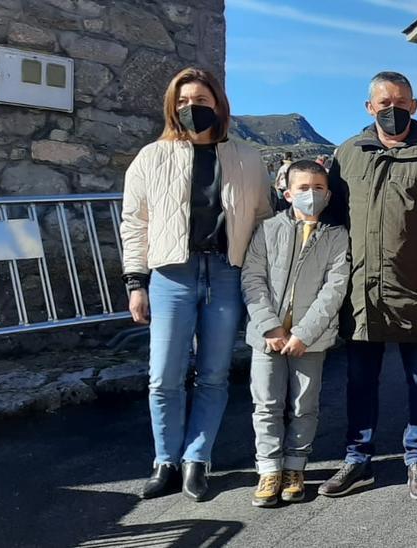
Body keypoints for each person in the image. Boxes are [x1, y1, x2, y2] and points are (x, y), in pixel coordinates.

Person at [120, 67, 273, 501]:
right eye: (183, 102)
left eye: (201, 101)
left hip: (226, 273)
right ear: (173, 107)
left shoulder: (248, 157)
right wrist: (137, 281)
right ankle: (165, 460)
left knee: (213, 375)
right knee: (163, 375)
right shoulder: (151, 157)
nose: (192, 109)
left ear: (218, 106)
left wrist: (258, 280)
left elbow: (262, 220)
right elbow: (135, 223)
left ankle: (196, 460)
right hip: (172, 274)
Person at [318, 71, 417, 500]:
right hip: (361, 292)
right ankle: (357, 458)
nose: (392, 109)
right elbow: (332, 223)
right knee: (360, 380)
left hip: (416, 292)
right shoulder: (348, 154)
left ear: (414, 105)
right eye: (384, 103)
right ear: (369, 107)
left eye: (401, 102)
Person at [241, 160, 349, 508]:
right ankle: (269, 468)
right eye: (303, 188)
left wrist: (303, 333)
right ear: (287, 193)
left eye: (318, 188)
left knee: (304, 404)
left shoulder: (336, 237)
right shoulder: (267, 229)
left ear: (329, 194)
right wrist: (269, 326)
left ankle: (295, 467)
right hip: (266, 337)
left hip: (310, 340)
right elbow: (252, 278)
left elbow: (334, 289)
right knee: (267, 404)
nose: (311, 195)